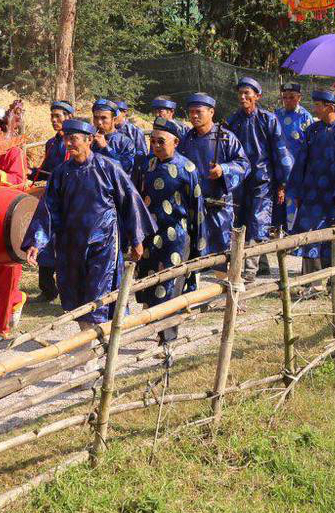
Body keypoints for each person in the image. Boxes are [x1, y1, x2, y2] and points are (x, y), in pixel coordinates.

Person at [23, 119, 151, 327]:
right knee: (77, 294)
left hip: (104, 243)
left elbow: (130, 202)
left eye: (73, 139)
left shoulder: (109, 168)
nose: (68, 144)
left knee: (100, 291)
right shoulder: (60, 173)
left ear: (89, 140)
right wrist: (37, 242)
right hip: (71, 244)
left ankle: (94, 346)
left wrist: (136, 239)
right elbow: (48, 210)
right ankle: (88, 340)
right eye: (66, 139)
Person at [133, 120, 202, 345]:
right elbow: (137, 203)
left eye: (161, 141)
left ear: (176, 141)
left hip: (177, 237)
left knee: (170, 287)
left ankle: (169, 338)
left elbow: (197, 209)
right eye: (152, 141)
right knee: (150, 284)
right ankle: (156, 330)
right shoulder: (146, 166)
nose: (156, 146)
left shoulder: (187, 168)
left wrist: (198, 245)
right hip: (151, 237)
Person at [224, 77, 292, 267]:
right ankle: (260, 264)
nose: (243, 97)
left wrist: (282, 184)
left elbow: (280, 152)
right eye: (240, 93)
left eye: (247, 93)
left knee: (258, 220)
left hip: (263, 179)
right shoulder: (233, 121)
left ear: (257, 96)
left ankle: (249, 269)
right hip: (239, 180)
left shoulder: (268, 120)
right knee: (241, 220)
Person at [288, 90, 335, 263]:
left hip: (334, 196)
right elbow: (301, 162)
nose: (314, 109)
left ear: (329, 107)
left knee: (333, 236)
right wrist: (298, 191)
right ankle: (309, 282)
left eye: (318, 105)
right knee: (307, 235)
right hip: (311, 194)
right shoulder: (312, 131)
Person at [180, 93, 249, 260]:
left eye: (198, 111)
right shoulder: (187, 139)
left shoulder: (225, 138)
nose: (194, 116)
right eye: (191, 112)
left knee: (221, 255)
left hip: (218, 207)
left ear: (211, 112)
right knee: (192, 255)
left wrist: (223, 169)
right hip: (193, 206)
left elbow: (244, 164)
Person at [30, 100, 74, 303]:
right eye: (52, 116)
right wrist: (30, 173)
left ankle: (68, 288)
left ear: (69, 117)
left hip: (70, 200)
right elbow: (46, 170)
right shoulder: (52, 143)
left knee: (67, 244)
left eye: (59, 116)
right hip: (51, 198)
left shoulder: (75, 142)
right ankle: (47, 288)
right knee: (44, 240)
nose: (54, 120)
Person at [272, 82, 313, 228]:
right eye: (285, 97)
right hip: (277, 170)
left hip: (296, 171)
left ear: (299, 98)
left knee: (293, 206)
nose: (288, 100)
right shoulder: (275, 116)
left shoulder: (305, 118)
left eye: (291, 97)